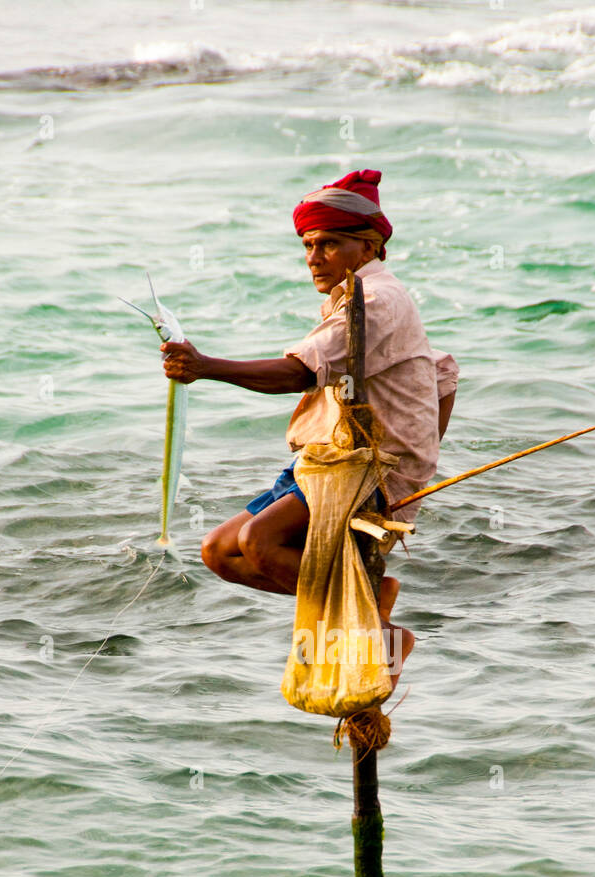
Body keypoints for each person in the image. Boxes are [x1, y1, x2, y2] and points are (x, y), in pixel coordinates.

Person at [161, 168, 458, 682]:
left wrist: (205, 367)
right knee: (219, 552)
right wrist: (424, 447)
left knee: (260, 542)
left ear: (369, 248)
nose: (313, 259)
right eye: (307, 246)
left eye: (328, 245)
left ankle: (376, 623)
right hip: (329, 457)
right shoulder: (356, 299)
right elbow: (443, 372)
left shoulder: (376, 300)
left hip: (369, 467)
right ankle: (368, 607)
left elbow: (297, 372)